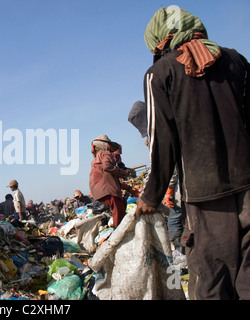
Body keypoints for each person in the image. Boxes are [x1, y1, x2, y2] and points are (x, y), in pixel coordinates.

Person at [136, 7, 250, 300]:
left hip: (205, 198)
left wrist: (150, 196)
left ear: (158, 40)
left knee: (211, 281)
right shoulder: (236, 59)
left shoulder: (159, 73)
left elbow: (162, 143)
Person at [129, 100, 185, 253]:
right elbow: (158, 166)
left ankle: (180, 250)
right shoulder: (162, 127)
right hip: (178, 180)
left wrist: (169, 190)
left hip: (179, 182)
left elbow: (168, 165)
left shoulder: (159, 133)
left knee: (175, 216)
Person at [89, 135, 132, 228]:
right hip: (108, 191)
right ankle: (119, 233)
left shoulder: (96, 158)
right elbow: (107, 166)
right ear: (104, 145)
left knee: (121, 204)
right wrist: (123, 172)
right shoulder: (105, 153)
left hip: (100, 190)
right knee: (119, 212)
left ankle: (118, 230)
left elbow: (109, 178)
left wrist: (127, 187)